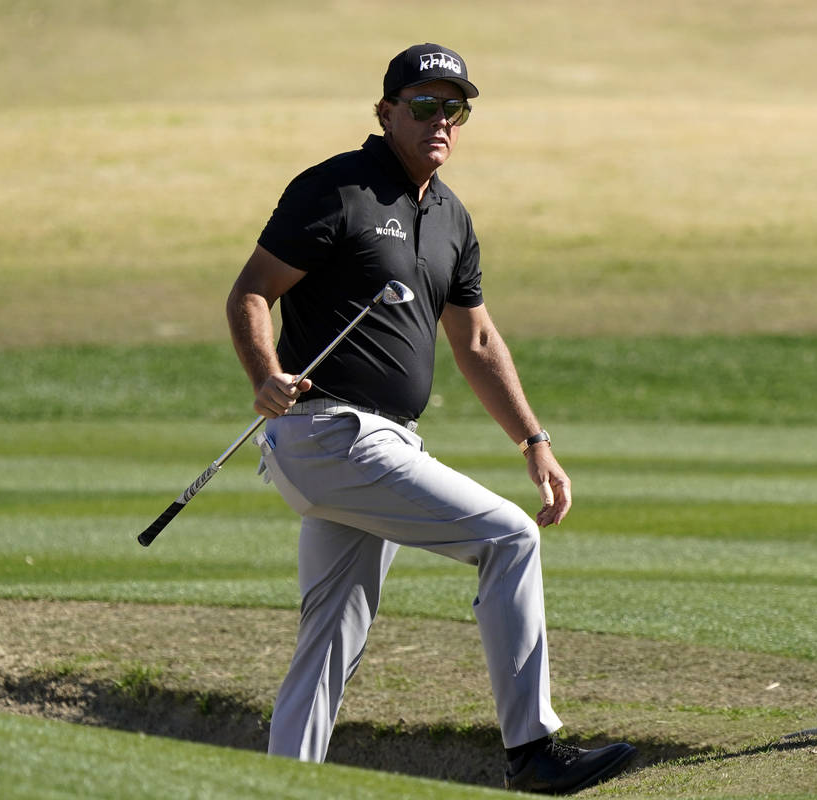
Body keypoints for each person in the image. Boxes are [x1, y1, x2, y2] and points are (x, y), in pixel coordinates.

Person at [225, 43, 636, 794]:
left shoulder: (450, 215)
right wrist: (265, 375)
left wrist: (533, 441)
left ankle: (282, 786)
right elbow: (252, 291)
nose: (439, 120)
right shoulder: (336, 189)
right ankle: (532, 753)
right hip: (331, 434)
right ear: (385, 112)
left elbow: (475, 338)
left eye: (454, 107)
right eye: (423, 105)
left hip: (378, 445)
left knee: (331, 633)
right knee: (508, 537)